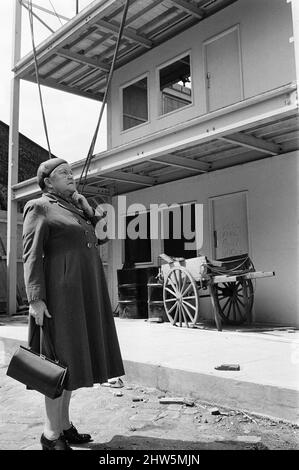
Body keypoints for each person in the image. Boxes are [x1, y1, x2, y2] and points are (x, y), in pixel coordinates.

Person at [23, 157, 125, 450]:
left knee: (71, 365)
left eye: (71, 172)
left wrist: (89, 209)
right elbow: (31, 254)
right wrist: (36, 299)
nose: (70, 176)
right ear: (47, 181)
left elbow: (104, 237)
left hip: (85, 294)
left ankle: (64, 426)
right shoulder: (39, 207)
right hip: (60, 296)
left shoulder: (76, 209)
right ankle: (50, 434)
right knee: (56, 366)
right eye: (62, 173)